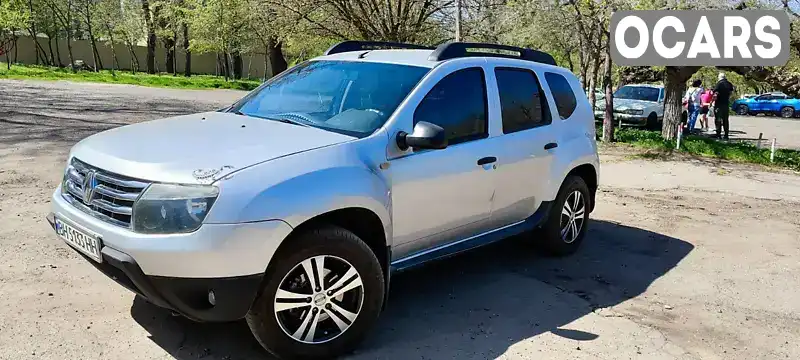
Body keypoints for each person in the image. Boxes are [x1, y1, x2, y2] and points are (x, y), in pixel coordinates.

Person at [712, 73, 735, 139]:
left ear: (719, 77)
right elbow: (731, 93)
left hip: (719, 104)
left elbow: (715, 94)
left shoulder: (719, 84)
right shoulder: (729, 84)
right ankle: (726, 135)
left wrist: (712, 102)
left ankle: (718, 134)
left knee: (718, 119)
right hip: (726, 104)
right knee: (725, 120)